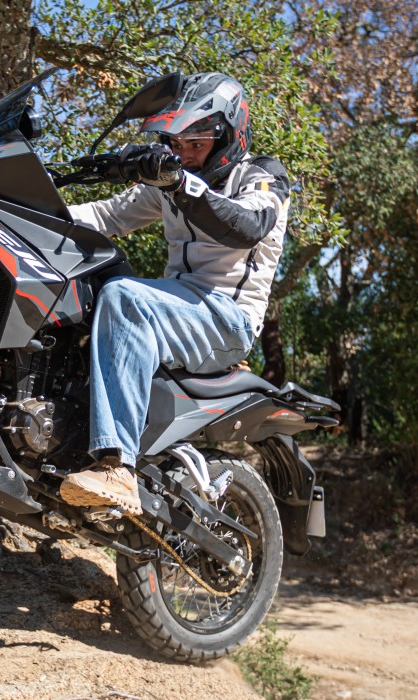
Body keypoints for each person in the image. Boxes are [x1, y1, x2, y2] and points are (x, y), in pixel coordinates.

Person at [59, 72, 291, 515]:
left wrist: (180, 184)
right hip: (179, 307)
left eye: (196, 145)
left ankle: (117, 467)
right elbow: (105, 216)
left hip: (227, 320)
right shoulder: (173, 184)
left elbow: (246, 226)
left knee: (124, 297)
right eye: (176, 145)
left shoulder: (261, 177)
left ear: (229, 136)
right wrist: (25, 212)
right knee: (88, 288)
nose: (185, 155)